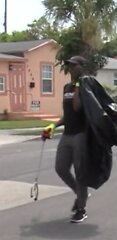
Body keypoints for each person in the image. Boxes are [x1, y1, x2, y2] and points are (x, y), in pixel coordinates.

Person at [41, 55, 90, 223]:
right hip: (67, 134)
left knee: (80, 171)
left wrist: (78, 85)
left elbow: (77, 107)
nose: (71, 68)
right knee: (60, 168)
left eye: (74, 65)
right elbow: (68, 113)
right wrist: (53, 126)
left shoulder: (86, 86)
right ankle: (81, 193)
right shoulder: (66, 87)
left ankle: (81, 208)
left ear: (82, 67)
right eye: (69, 65)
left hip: (81, 135)